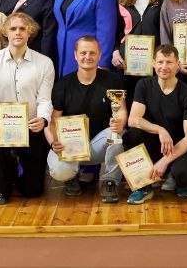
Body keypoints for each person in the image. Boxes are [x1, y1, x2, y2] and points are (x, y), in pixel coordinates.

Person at [0, 13, 55, 204]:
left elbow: (44, 100)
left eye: (23, 28)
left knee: (32, 191)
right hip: (2, 127)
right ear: (5, 32)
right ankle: (2, 186)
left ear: (30, 32)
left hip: (31, 126)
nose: (18, 32)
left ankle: (19, 176)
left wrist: (43, 119)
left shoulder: (44, 63)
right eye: (13, 28)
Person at [47, 36, 127, 203]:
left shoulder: (112, 80)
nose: (87, 57)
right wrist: (54, 142)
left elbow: (120, 110)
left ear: (99, 55)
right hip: (70, 147)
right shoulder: (63, 85)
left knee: (116, 136)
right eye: (83, 53)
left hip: (98, 145)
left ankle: (110, 181)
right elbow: (53, 121)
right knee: (60, 171)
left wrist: (119, 122)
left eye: (92, 53)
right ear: (75, 55)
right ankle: (71, 177)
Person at [124, 45, 187, 204]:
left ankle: (177, 179)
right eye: (160, 62)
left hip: (179, 148)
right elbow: (133, 120)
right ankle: (143, 187)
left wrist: (164, 162)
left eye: (169, 62)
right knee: (132, 135)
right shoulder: (144, 85)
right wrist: (160, 130)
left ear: (178, 65)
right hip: (155, 145)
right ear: (153, 63)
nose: (164, 67)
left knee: (184, 173)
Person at [113, 0, 165, 96]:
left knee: (152, 100)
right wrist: (115, 51)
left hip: (155, 61)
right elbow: (116, 29)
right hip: (126, 61)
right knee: (127, 101)